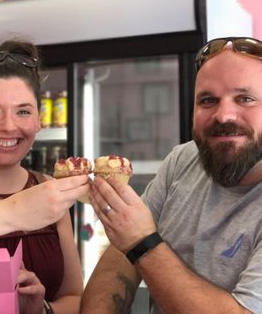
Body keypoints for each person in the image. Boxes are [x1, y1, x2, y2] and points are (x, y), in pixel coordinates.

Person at [81, 37, 262, 314]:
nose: (224, 115)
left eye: (245, 98)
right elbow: (120, 255)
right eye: (208, 100)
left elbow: (135, 241)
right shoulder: (183, 160)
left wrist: (144, 242)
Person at [0, 40, 89, 314]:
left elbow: (74, 298)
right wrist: (15, 211)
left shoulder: (48, 191)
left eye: (23, 111)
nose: (9, 126)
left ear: (39, 120)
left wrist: (42, 310)